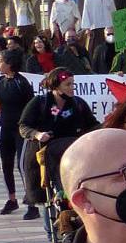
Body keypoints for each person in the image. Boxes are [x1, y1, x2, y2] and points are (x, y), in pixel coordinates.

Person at [20, 69, 100, 222]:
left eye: (73, 84)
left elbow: (93, 125)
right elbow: (23, 126)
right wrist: (37, 134)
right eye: (67, 84)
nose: (72, 88)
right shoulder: (40, 103)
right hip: (44, 155)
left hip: (73, 155)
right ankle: (52, 233)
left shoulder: (78, 104)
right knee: (48, 195)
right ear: (56, 86)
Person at [0, 50, 36, 214]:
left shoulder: (21, 83)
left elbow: (32, 106)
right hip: (6, 128)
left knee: (22, 165)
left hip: (21, 130)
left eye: (0, 61)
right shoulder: (1, 81)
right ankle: (12, 199)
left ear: (9, 64)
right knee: (5, 164)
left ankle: (32, 203)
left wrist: (31, 128)